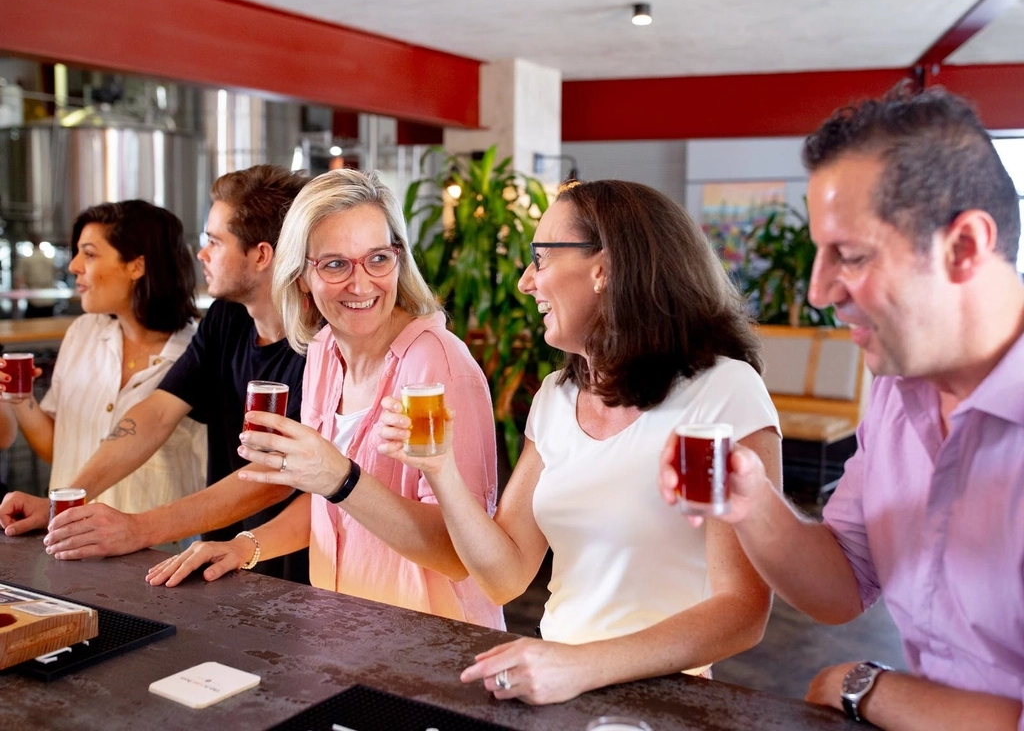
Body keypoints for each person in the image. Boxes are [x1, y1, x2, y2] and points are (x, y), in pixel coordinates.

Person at [660, 84, 1024, 730]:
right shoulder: (897, 388)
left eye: (850, 256)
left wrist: (865, 687)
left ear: (964, 248)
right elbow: (842, 584)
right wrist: (751, 503)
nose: (819, 289)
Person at [375, 178, 781, 704]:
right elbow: (505, 576)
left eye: (540, 259)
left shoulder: (719, 392)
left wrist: (581, 665)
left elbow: (741, 611)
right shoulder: (557, 398)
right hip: (561, 690)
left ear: (604, 268)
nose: (526, 282)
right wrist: (439, 468)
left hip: (663, 700)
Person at [146, 169, 504, 630]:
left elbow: (460, 555)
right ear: (300, 277)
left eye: (378, 258)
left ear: (399, 258)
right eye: (335, 265)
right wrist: (245, 546)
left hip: (432, 647)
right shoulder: (323, 351)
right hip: (341, 629)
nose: (361, 285)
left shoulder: (439, 369)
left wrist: (341, 477)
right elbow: (328, 508)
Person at [0, 165, 310, 583]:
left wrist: (137, 528)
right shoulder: (227, 318)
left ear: (260, 255)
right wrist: (65, 502)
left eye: (214, 241)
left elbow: (274, 477)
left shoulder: (319, 344)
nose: (200, 253)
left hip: (299, 571)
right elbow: (156, 414)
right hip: (217, 560)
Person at [0, 201, 206, 518]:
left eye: (90, 253)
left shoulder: (196, 352)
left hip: (157, 553)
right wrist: (21, 398)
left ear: (136, 266)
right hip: (68, 536)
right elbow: (58, 449)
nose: (73, 266)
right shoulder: (83, 333)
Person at [14, 231, 58, 318]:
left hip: (34, 301)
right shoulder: (49, 259)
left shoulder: (26, 260)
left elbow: (19, 280)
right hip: (49, 300)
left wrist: (16, 303)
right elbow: (56, 275)